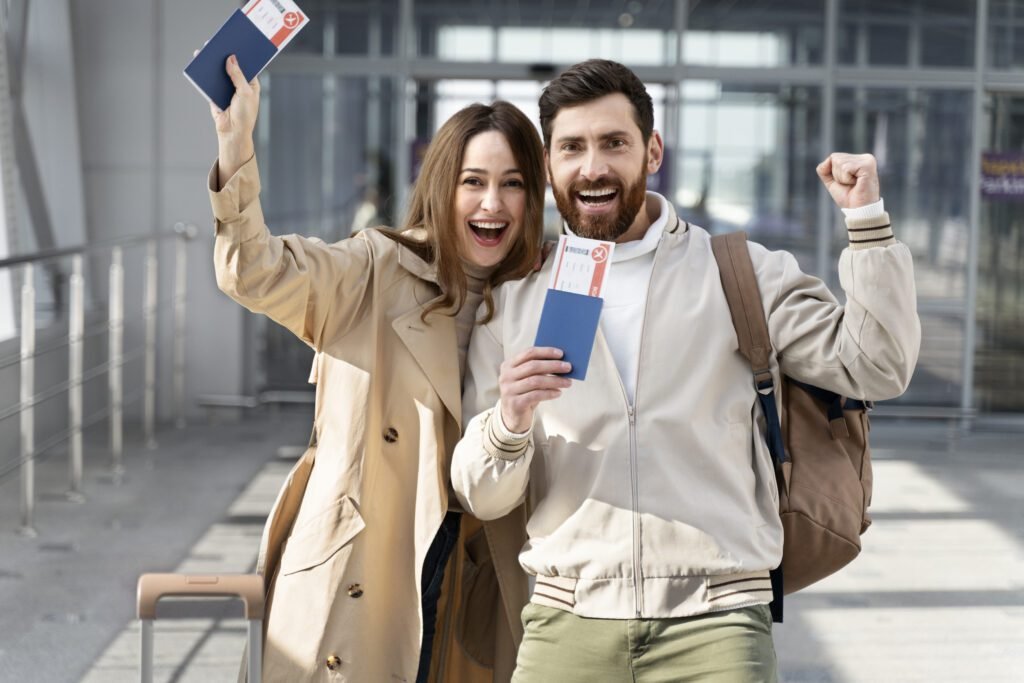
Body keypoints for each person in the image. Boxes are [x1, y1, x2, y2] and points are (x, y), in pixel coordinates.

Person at [452, 59, 921, 682]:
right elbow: (482, 494)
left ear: (652, 150)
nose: (593, 167)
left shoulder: (741, 274)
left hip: (718, 623)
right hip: (566, 623)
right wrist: (507, 422)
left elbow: (877, 366)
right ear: (548, 164)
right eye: (573, 147)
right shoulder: (513, 301)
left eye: (614, 143)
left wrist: (866, 223)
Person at [206, 54, 540, 682]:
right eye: (472, 181)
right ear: (443, 186)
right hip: (365, 567)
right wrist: (236, 148)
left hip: (477, 577)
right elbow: (253, 269)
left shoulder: (544, 294)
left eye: (513, 182)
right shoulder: (375, 269)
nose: (491, 203)